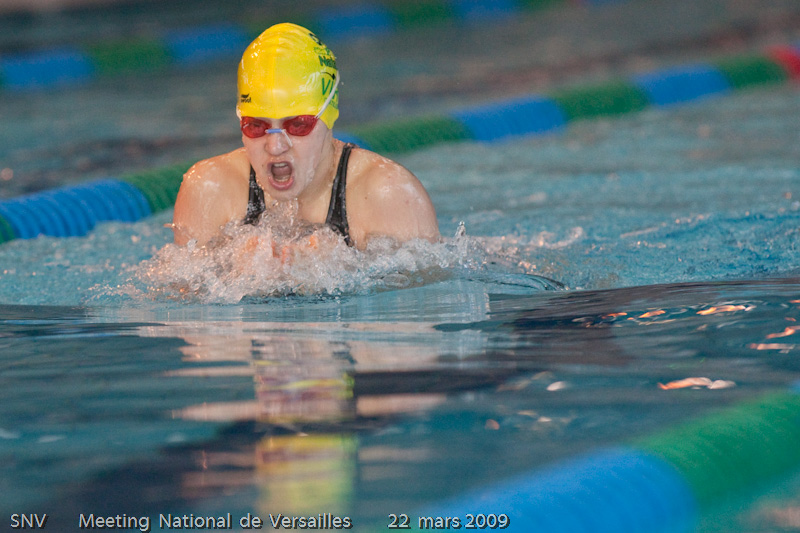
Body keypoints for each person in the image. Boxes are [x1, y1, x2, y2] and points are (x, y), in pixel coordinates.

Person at [172, 23, 439, 251]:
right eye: (256, 126)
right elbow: (180, 292)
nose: (275, 146)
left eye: (298, 125)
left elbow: (429, 288)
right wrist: (234, 275)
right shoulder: (210, 189)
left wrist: (342, 273)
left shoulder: (389, 195)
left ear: (328, 116)